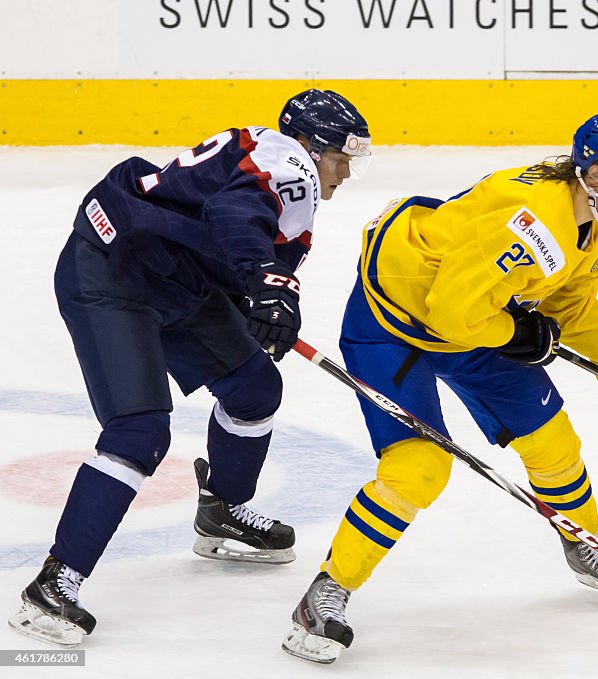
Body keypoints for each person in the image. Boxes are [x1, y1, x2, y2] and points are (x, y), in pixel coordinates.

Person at [281, 111, 598, 664]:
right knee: (420, 468)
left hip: (474, 317)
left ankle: (586, 546)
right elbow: (450, 314)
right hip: (394, 321)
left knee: (553, 441)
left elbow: (569, 307)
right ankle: (327, 592)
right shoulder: (529, 223)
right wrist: (516, 331)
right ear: (595, 175)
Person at [8, 89, 372, 648]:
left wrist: (260, 297)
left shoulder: (272, 157)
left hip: (173, 275)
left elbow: (227, 229)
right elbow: (238, 215)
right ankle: (54, 584)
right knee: (139, 431)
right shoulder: (289, 161)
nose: (346, 172)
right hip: (113, 277)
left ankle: (222, 509)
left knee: (253, 389)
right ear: (310, 146)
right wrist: (267, 283)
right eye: (340, 157)